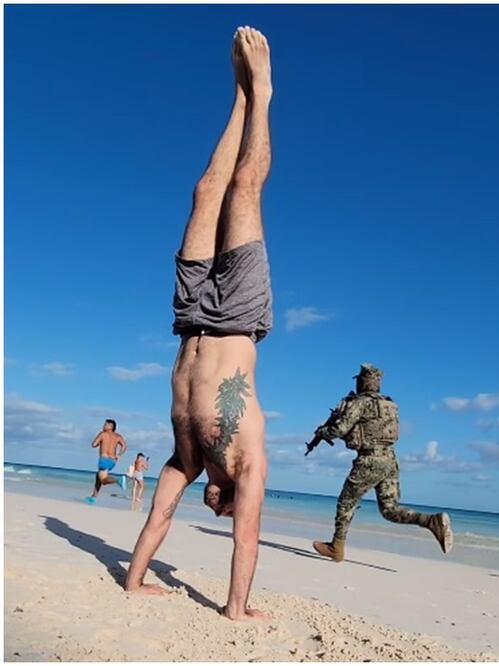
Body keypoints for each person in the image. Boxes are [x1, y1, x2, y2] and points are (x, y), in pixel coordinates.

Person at [124, 26, 274, 622]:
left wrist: (135, 582)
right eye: (222, 508)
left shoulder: (184, 459)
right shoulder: (248, 463)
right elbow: (248, 536)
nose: (215, 508)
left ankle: (239, 95)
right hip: (237, 314)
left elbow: (159, 514)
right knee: (244, 189)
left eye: (211, 508)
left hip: (188, 319)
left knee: (206, 188)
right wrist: (238, 610)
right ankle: (257, 94)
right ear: (233, 499)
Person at [310, 364, 453, 561]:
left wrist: (323, 432)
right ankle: (430, 521)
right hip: (390, 460)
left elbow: (340, 430)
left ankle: (337, 547)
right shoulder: (389, 405)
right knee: (390, 510)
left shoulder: (360, 403)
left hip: (369, 460)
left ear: (361, 382)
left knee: (346, 502)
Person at [87, 419, 127, 503]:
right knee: (98, 476)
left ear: (111, 427)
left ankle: (118, 480)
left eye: (105, 425)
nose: (103, 426)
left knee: (103, 480)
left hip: (104, 460)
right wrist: (119, 455)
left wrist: (100, 443)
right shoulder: (118, 436)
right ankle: (93, 497)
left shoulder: (102, 434)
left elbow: (93, 444)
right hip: (112, 461)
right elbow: (124, 446)